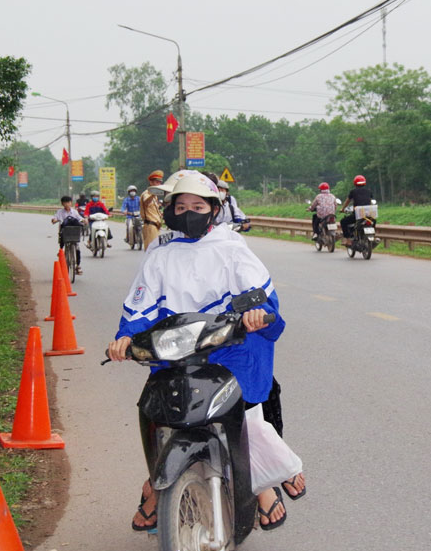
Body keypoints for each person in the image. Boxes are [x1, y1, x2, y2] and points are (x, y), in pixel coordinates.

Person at [107, 173, 305, 531]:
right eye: (180, 207)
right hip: (177, 353)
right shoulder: (160, 252)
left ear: (214, 210)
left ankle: (266, 480)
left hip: (229, 348)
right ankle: (156, 481)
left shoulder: (231, 247)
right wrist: (125, 337)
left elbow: (260, 295)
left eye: (197, 207)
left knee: (244, 413)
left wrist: (258, 314)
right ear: (168, 210)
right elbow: (140, 305)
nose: (188, 213)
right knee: (158, 413)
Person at [51, 196, 84, 274]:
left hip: (74, 232)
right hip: (65, 232)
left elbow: (80, 218)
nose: (67, 204)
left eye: (68, 202)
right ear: (62, 204)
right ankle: (61, 250)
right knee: (62, 238)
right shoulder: (59, 212)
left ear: (71, 203)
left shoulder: (74, 212)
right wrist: (54, 220)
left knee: (77, 248)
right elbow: (54, 218)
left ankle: (78, 266)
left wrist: (84, 220)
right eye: (65, 203)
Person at [341, 175, 372, 243]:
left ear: (355, 183)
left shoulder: (353, 191)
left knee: (343, 221)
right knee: (373, 222)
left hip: (358, 215)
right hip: (368, 215)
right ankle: (372, 235)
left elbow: (347, 201)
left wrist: (342, 209)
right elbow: (370, 202)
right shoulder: (369, 191)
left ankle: (348, 239)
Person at [140, 170, 164, 251]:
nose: (159, 184)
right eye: (157, 182)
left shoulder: (155, 197)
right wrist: (153, 193)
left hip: (156, 226)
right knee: (151, 249)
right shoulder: (146, 194)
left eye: (160, 182)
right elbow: (146, 201)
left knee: (157, 249)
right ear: (151, 182)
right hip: (150, 225)